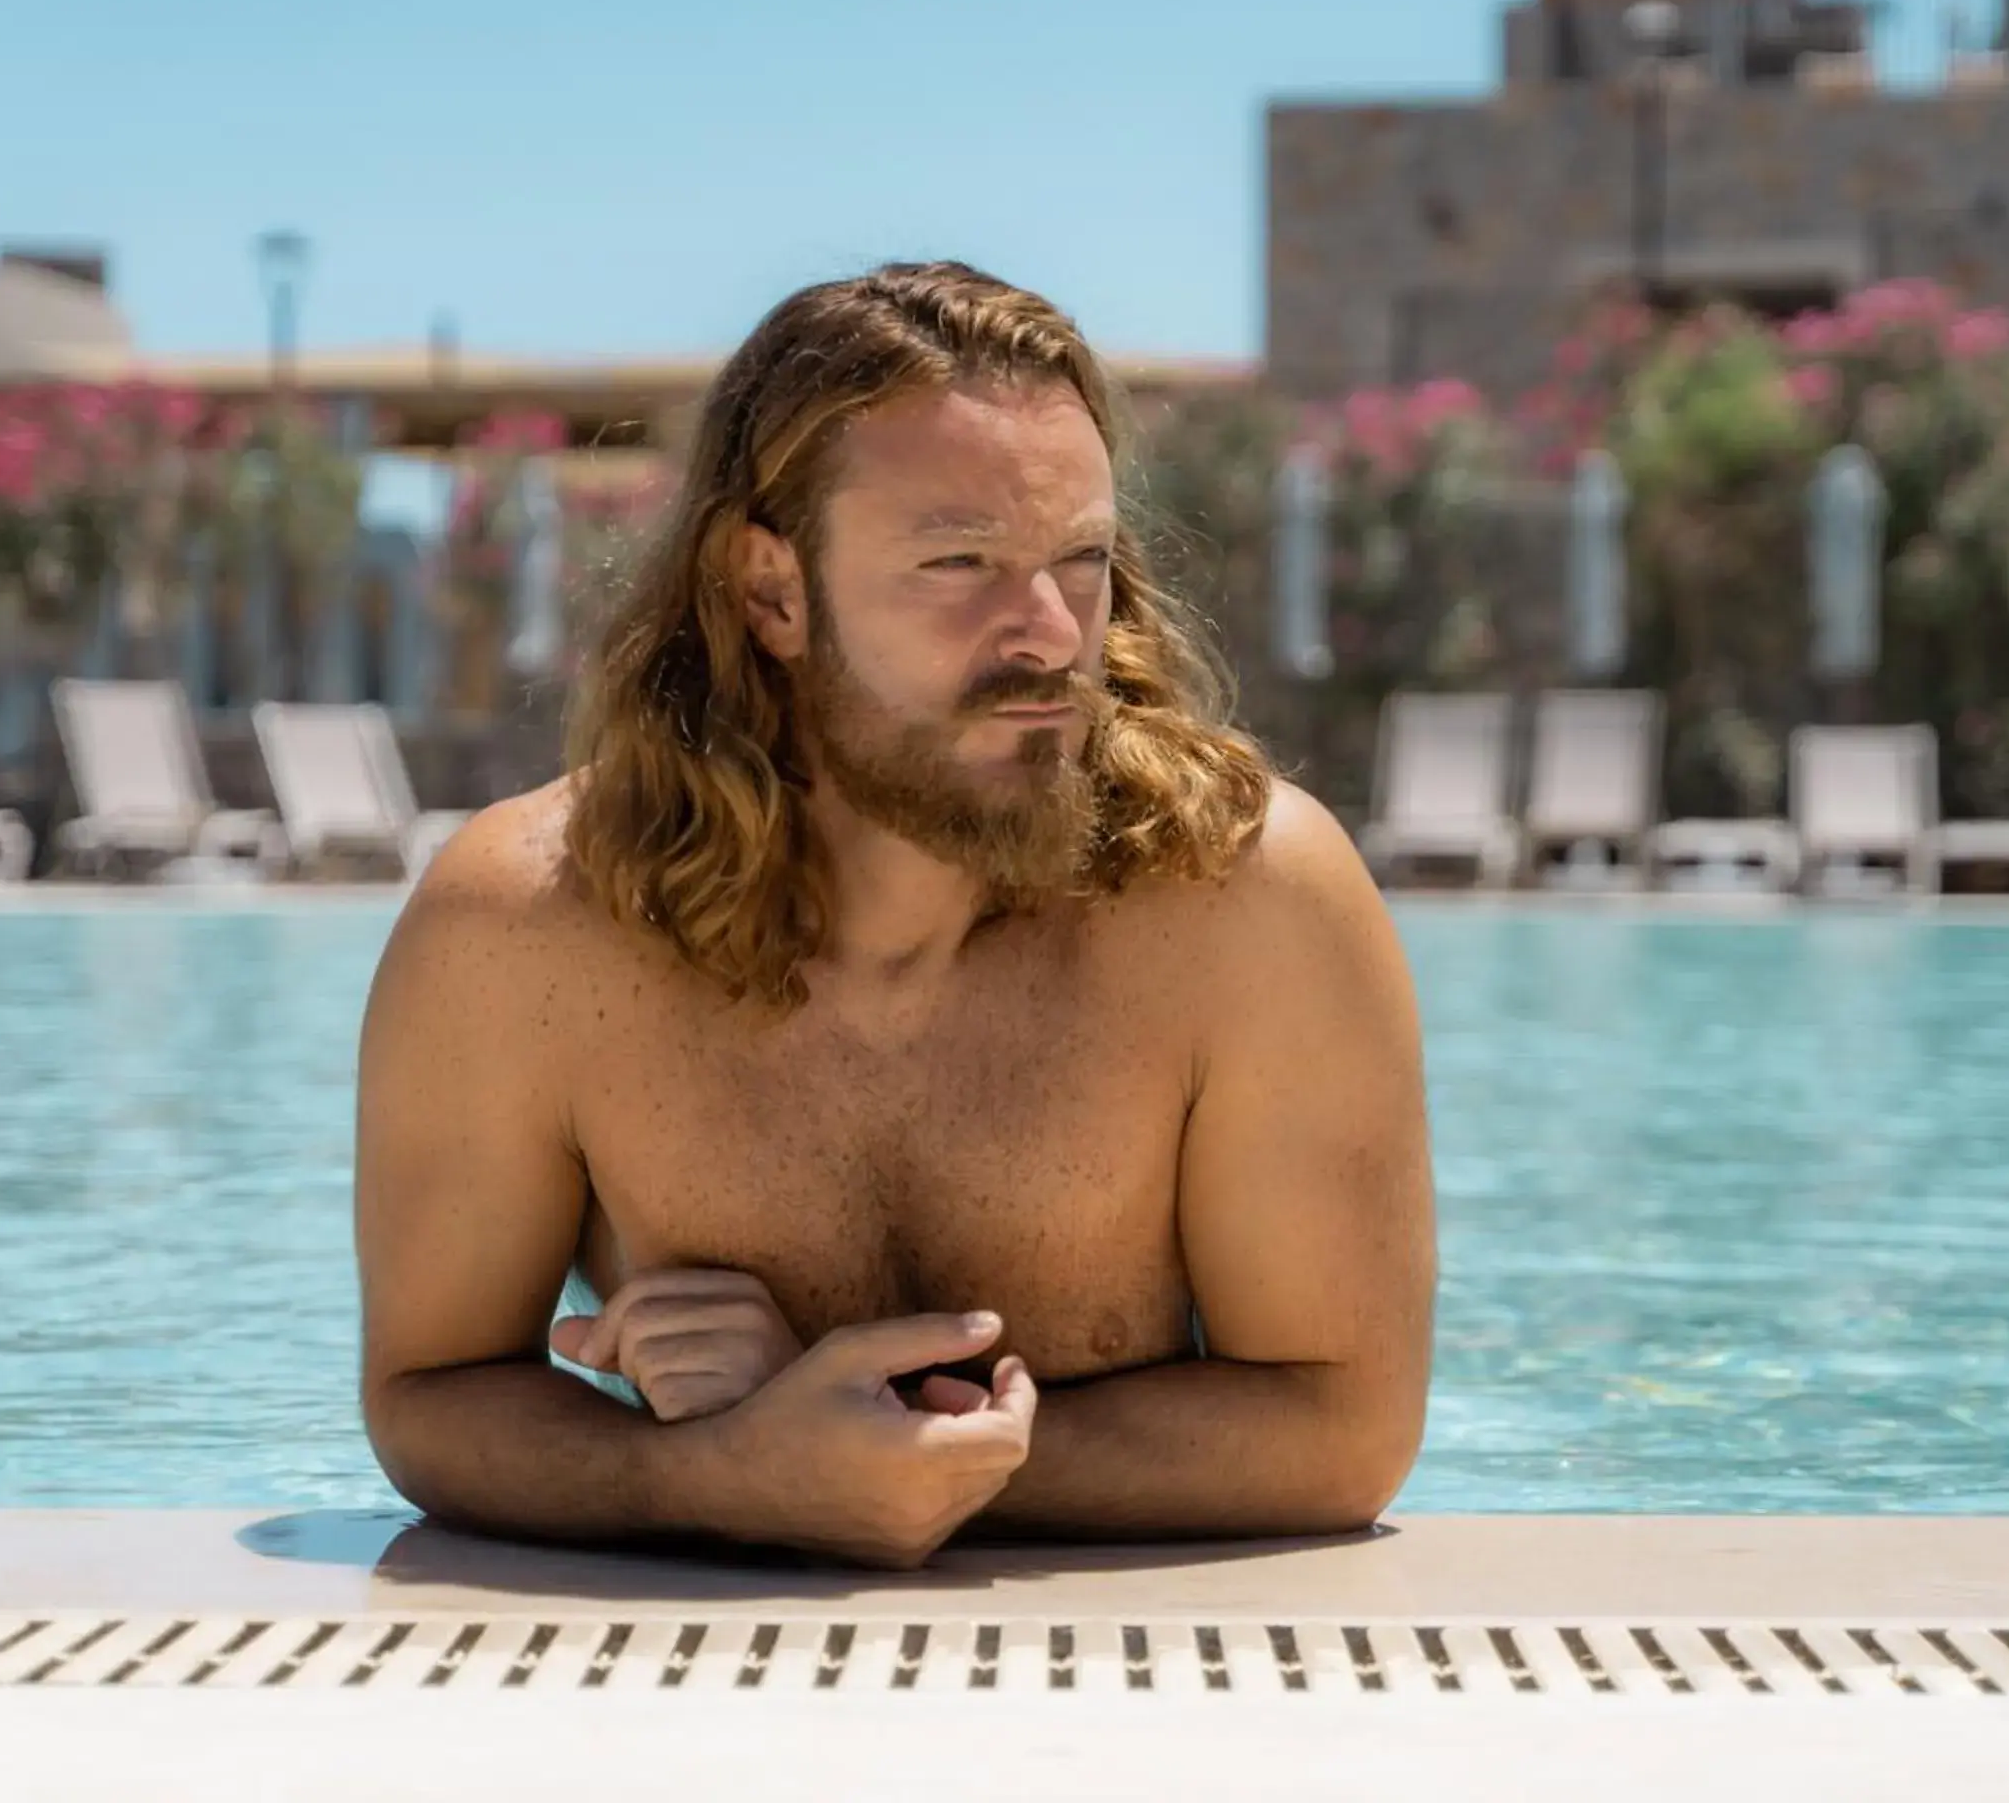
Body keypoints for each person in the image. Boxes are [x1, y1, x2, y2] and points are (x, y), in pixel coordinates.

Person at [355, 261, 1433, 1569]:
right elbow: (430, 1393)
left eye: (1079, 562)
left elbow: (1342, 1426)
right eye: (960, 562)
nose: (1046, 634)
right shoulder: (523, 927)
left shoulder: (1245, 899)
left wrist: (844, 1438)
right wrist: (719, 1480)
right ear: (772, 593)